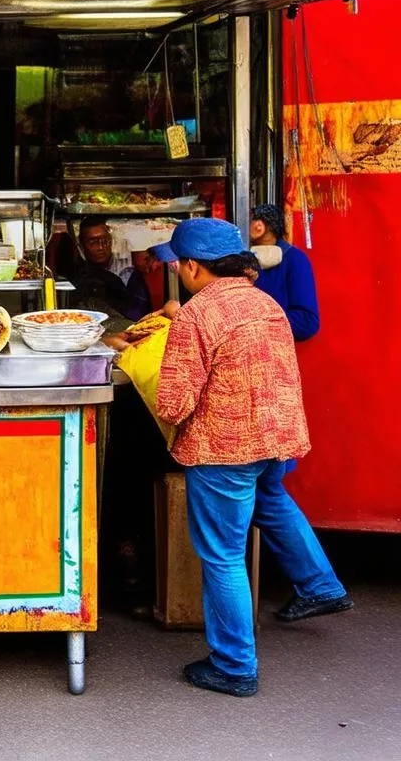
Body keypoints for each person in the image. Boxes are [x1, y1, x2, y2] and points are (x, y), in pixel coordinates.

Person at [151, 218, 351, 698]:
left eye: (177, 262)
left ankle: (235, 664)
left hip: (224, 449)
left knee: (222, 555)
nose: (175, 269)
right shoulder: (267, 306)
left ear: (194, 267)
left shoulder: (197, 315)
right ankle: (320, 585)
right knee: (271, 501)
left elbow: (173, 403)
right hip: (275, 438)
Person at [250, 204, 319, 342]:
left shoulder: (294, 259)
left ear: (259, 226)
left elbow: (307, 321)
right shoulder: (240, 258)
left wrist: (256, 324)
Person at [72, 216, 150, 321]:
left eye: (105, 241)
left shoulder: (129, 268)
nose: (100, 247)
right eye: (93, 242)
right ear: (81, 245)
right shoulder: (79, 277)